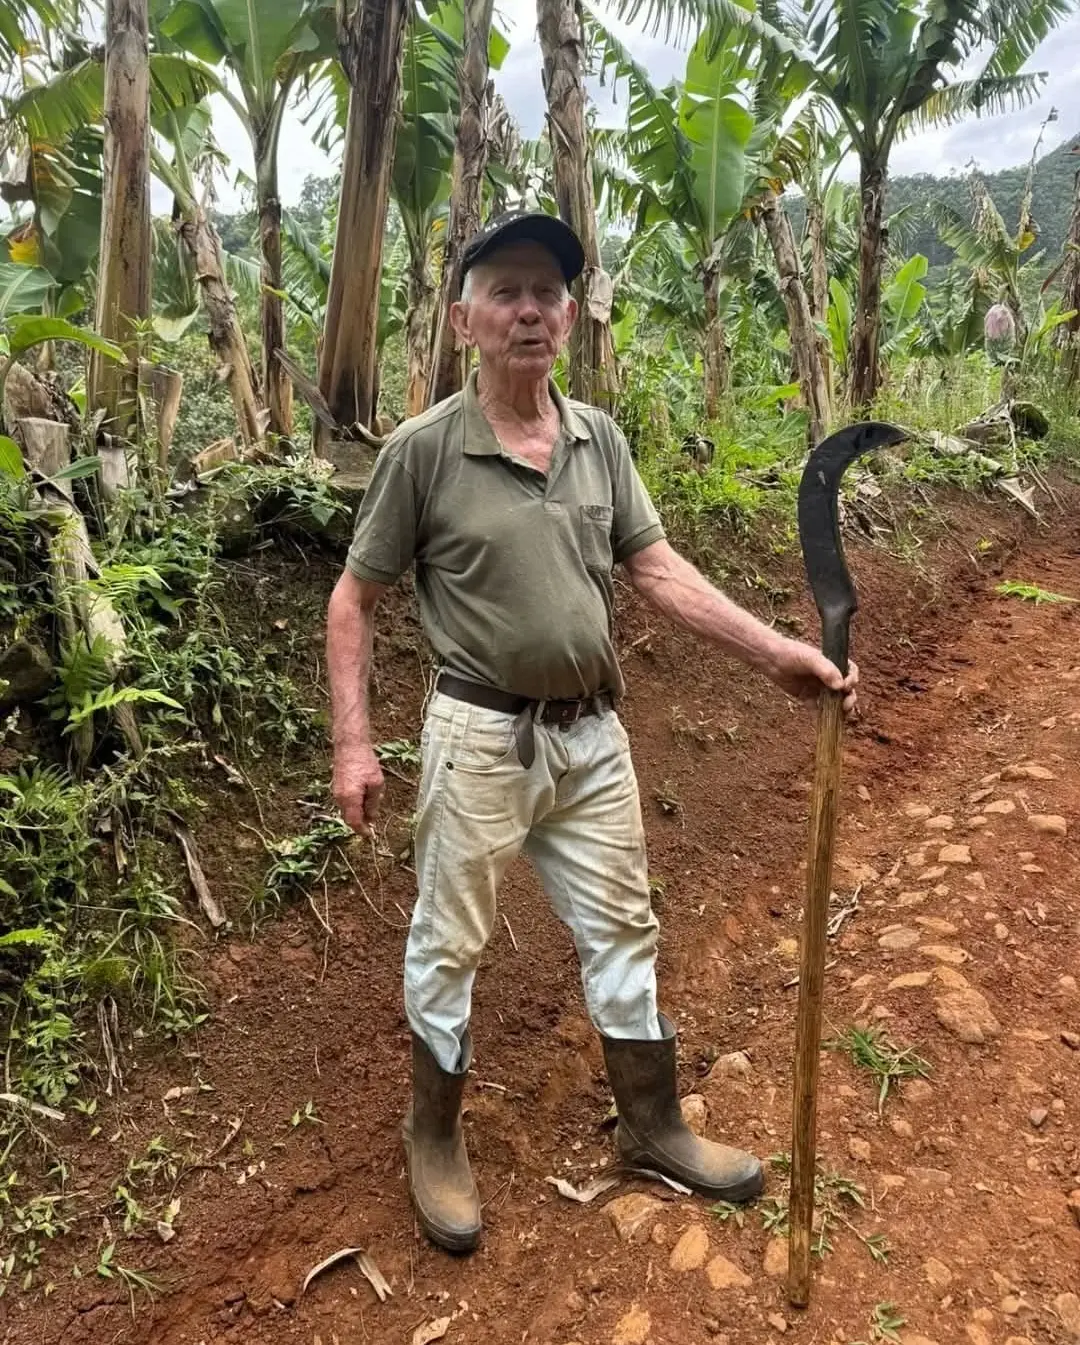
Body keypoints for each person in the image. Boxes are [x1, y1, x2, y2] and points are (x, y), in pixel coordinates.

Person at [325, 210, 857, 1254]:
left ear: (570, 317)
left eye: (548, 292)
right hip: (479, 737)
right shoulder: (424, 451)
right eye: (506, 292)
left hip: (593, 739)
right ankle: (433, 1135)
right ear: (464, 320)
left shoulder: (597, 439)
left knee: (624, 928)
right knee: (450, 939)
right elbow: (354, 600)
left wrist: (776, 652)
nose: (529, 310)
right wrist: (354, 741)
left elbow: (656, 570)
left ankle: (652, 1123)